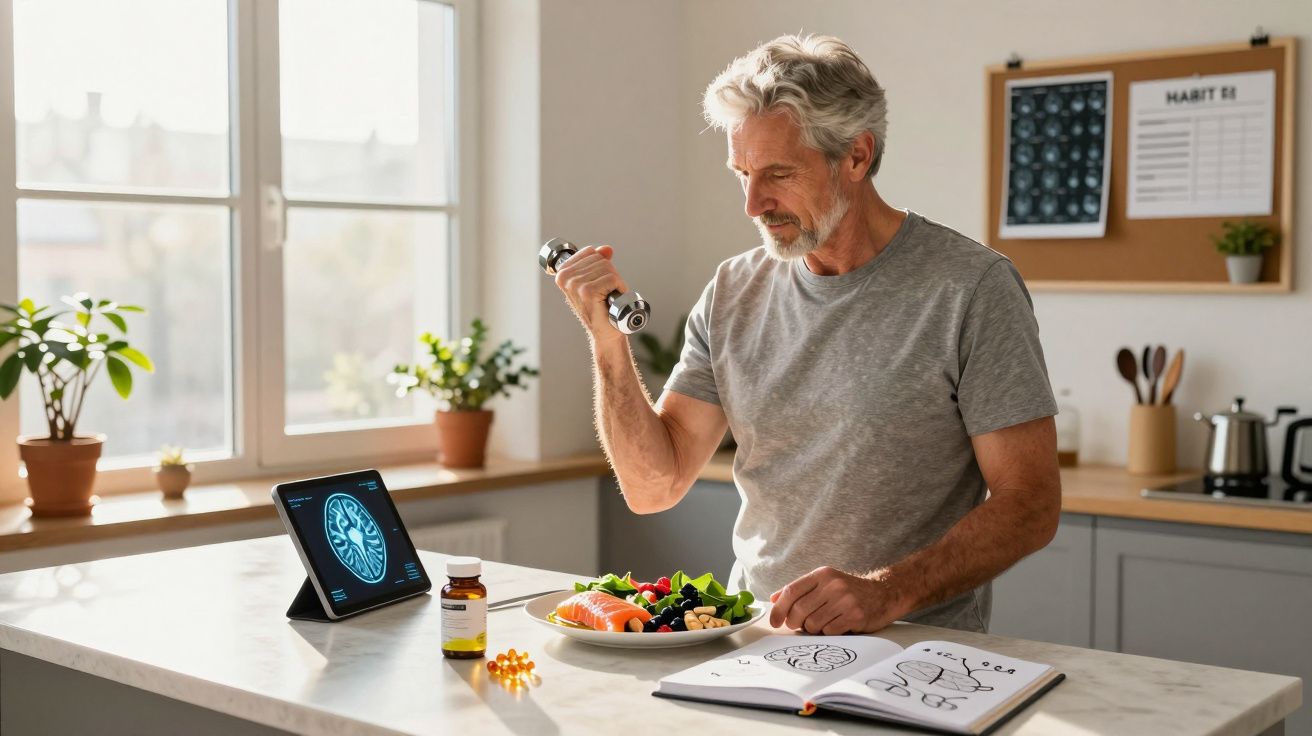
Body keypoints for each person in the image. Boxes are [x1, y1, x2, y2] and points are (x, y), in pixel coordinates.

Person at [551, 34, 1060, 634]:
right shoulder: (732, 292)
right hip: (754, 641)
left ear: (857, 156)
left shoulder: (971, 288)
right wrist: (607, 344)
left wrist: (887, 592)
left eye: (778, 173)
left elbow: (1030, 504)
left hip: (916, 650)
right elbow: (652, 486)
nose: (752, 203)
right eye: (741, 173)